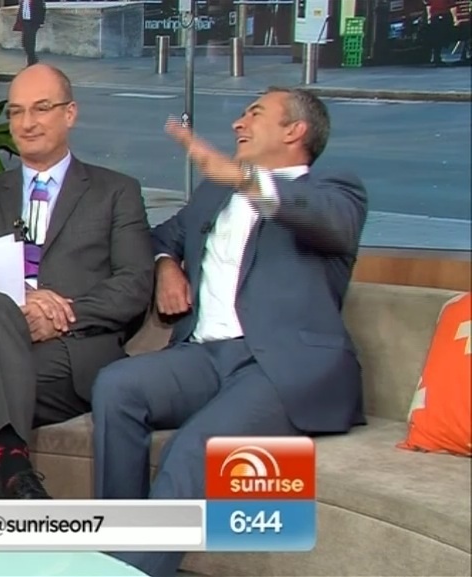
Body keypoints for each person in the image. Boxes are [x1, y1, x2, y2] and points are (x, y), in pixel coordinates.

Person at [91, 87, 369, 577]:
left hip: (280, 368)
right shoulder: (214, 194)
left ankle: (127, 571)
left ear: (295, 130)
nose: (239, 123)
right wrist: (166, 265)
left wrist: (245, 178)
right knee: (117, 386)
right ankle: (118, 547)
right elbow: (159, 237)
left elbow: (331, 223)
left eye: (254, 113)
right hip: (202, 357)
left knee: (196, 447)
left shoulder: (334, 190)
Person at [0, 64, 154, 499]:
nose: (27, 123)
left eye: (41, 108)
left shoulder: (115, 192)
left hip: (70, 355)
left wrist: (61, 315)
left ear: (70, 113)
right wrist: (21, 301)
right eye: (16, 112)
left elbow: (135, 284)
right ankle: (14, 469)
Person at [14, 0, 46, 66]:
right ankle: (32, 58)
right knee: (25, 42)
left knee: (30, 41)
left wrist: (41, 22)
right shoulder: (23, 1)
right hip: (24, 22)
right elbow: (20, 11)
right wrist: (19, 21)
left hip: (32, 22)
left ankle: (31, 60)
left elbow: (42, 10)